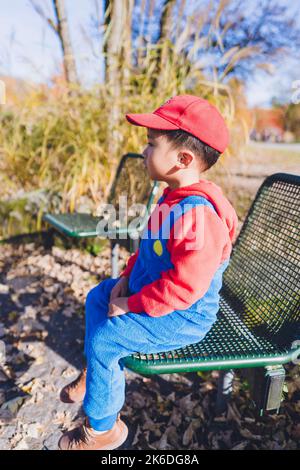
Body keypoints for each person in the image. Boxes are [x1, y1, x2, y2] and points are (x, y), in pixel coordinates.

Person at [58, 94, 238, 450]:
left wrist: (132, 304)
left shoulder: (198, 216)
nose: (143, 152)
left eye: (151, 144)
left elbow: (184, 289)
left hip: (181, 316)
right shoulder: (172, 197)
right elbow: (147, 249)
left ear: (183, 159)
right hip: (151, 294)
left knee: (106, 339)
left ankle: (104, 428)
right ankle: (98, 373)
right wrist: (125, 278)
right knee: (98, 296)